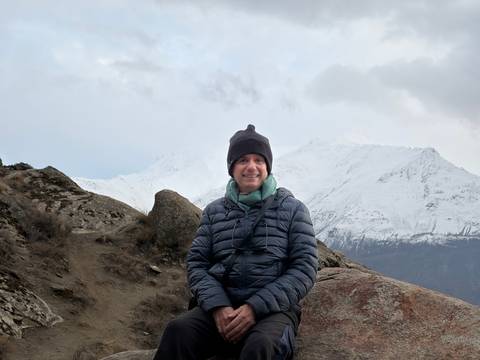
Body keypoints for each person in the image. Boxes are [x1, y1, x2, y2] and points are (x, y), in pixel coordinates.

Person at [153, 124, 318, 360]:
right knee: (178, 331)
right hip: (221, 308)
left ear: (267, 167)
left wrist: (254, 308)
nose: (251, 167)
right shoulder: (214, 212)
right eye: (243, 160)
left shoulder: (293, 210)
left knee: (260, 346)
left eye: (258, 160)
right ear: (232, 168)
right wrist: (218, 307)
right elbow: (197, 264)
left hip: (273, 311)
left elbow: (305, 268)